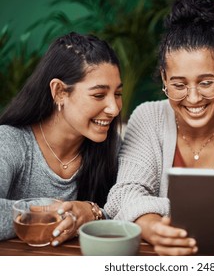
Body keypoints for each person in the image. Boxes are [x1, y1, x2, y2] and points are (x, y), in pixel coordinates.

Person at [104, 0, 214, 256]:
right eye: (179, 85)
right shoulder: (148, 117)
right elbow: (123, 195)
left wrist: (146, 211)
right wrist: (152, 229)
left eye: (205, 83)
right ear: (164, 78)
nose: (193, 98)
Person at [0, 32, 123, 246]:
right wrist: (57, 211)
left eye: (118, 94)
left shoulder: (112, 146)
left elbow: (133, 208)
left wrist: (92, 212)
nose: (113, 108)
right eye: (99, 95)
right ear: (59, 92)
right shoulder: (11, 141)